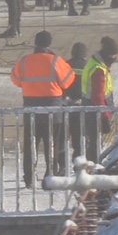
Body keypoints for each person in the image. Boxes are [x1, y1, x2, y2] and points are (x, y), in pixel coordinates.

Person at [10, 31, 73, 183]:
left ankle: (29, 176)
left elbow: (16, 79)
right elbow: (67, 80)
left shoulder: (25, 61)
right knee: (51, 144)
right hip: (53, 108)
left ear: (35, 43)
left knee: (31, 144)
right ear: (49, 43)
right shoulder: (56, 61)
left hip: (31, 109)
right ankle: (50, 174)